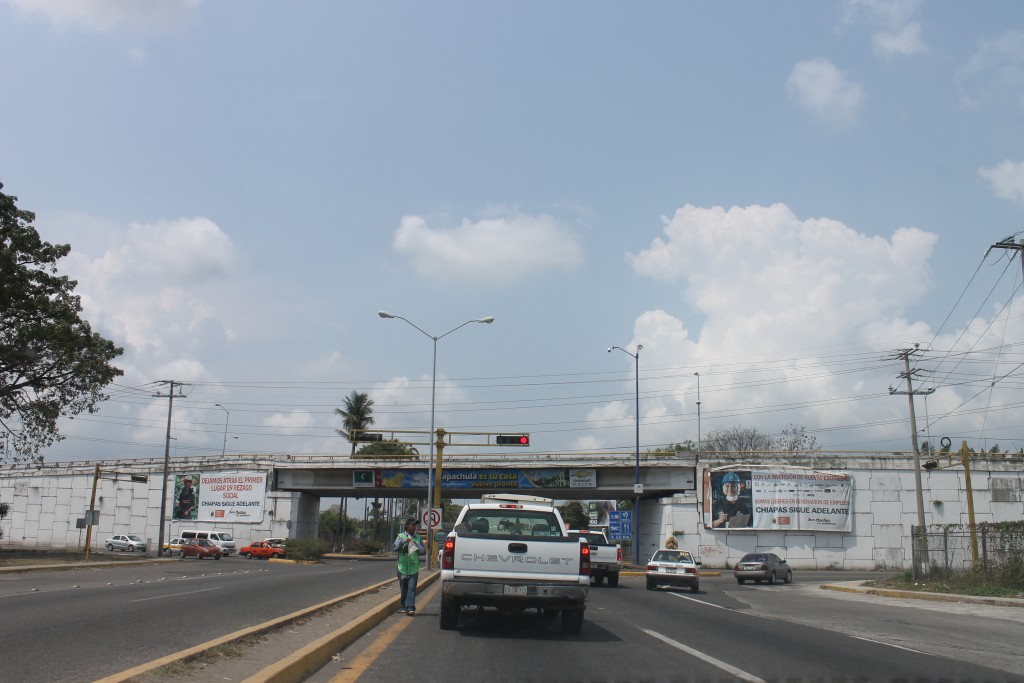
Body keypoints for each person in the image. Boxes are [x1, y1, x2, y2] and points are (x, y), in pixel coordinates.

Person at [393, 518, 425, 615]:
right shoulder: (400, 536)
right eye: (412, 525)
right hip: (402, 567)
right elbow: (395, 548)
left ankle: (410, 608)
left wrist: (416, 544)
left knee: (411, 588)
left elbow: (423, 551)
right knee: (404, 589)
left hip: (414, 568)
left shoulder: (418, 538)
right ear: (407, 525)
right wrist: (404, 541)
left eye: (415, 525)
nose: (414, 527)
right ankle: (403, 606)